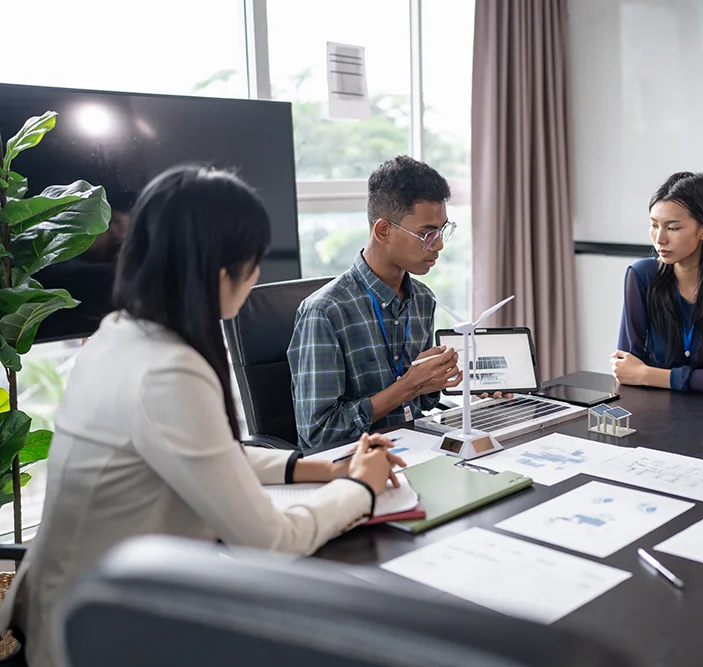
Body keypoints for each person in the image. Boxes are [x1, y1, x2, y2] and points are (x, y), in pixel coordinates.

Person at [0, 165, 403, 667]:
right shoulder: (169, 371)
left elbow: (197, 450)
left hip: (72, 604)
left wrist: (314, 467)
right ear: (220, 274)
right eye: (253, 262)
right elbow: (272, 541)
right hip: (95, 636)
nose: (257, 276)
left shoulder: (119, 333)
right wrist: (361, 487)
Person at [289, 156, 462, 447]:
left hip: (417, 448)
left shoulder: (422, 299)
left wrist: (443, 380)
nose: (439, 244)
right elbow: (318, 434)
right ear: (383, 231)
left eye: (442, 230)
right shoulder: (325, 312)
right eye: (426, 233)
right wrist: (406, 387)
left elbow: (422, 403)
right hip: (354, 465)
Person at [611, 172, 703, 392]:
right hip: (653, 411)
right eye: (654, 225)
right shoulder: (640, 276)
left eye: (673, 228)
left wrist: (647, 373)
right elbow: (626, 368)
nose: (660, 239)